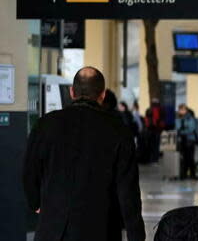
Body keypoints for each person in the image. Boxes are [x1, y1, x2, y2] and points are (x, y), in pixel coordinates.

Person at [23, 67, 144, 241]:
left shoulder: (45, 125)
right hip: (101, 229)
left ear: (72, 92)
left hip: (54, 229)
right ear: (102, 95)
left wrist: (35, 202)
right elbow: (128, 191)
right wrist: (136, 235)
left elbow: (29, 172)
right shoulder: (119, 131)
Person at [175, 104, 198, 180]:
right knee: (183, 158)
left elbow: (191, 129)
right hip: (182, 141)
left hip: (190, 140)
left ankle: (193, 174)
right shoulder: (178, 118)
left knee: (190, 157)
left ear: (186, 110)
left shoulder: (190, 118)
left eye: (182, 109)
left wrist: (182, 131)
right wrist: (182, 130)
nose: (180, 111)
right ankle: (183, 174)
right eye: (180, 109)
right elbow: (177, 127)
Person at [145, 98, 165, 163]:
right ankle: (155, 159)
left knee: (151, 145)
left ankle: (151, 158)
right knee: (156, 145)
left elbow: (146, 120)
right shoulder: (161, 109)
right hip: (157, 130)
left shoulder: (148, 109)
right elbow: (162, 120)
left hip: (150, 130)